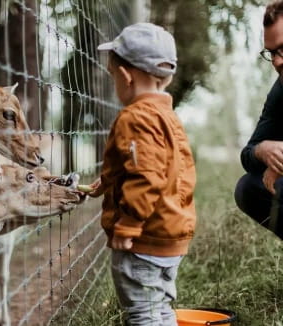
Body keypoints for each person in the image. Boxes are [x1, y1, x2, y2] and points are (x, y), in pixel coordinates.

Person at [85, 23, 197, 325]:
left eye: (112, 76)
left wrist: (130, 223)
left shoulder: (135, 117)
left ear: (125, 76)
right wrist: (108, 181)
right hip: (169, 235)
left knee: (144, 315)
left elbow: (147, 175)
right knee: (159, 310)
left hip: (143, 239)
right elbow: (171, 170)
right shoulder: (168, 117)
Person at [234, 0, 283, 240]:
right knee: (249, 188)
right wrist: (263, 151)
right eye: (272, 53)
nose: (276, 61)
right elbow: (248, 153)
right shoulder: (280, 90)